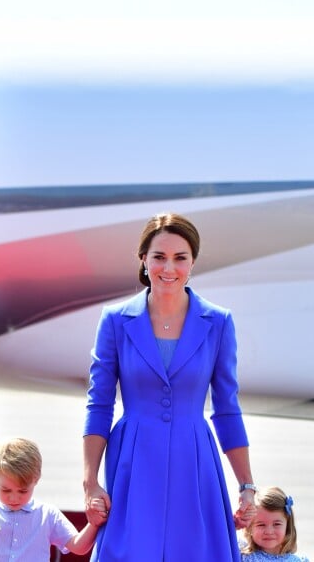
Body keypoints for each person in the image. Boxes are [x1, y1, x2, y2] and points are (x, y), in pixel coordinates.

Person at [83, 212, 257, 561]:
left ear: (192, 263)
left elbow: (226, 408)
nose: (169, 268)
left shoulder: (218, 322)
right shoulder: (115, 320)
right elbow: (99, 404)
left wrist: (246, 485)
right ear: (143, 260)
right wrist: (90, 482)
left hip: (194, 459)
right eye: (159, 256)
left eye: (180, 258)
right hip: (133, 459)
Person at [0, 437, 107, 560]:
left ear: (36, 479)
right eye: (5, 490)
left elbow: (78, 546)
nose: (13, 497)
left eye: (23, 491)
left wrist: (93, 524)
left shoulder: (48, 515)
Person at [240, 486, 310, 561]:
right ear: (250, 527)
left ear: (287, 526)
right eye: (261, 524)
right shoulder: (242, 554)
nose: (269, 531)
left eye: (276, 524)